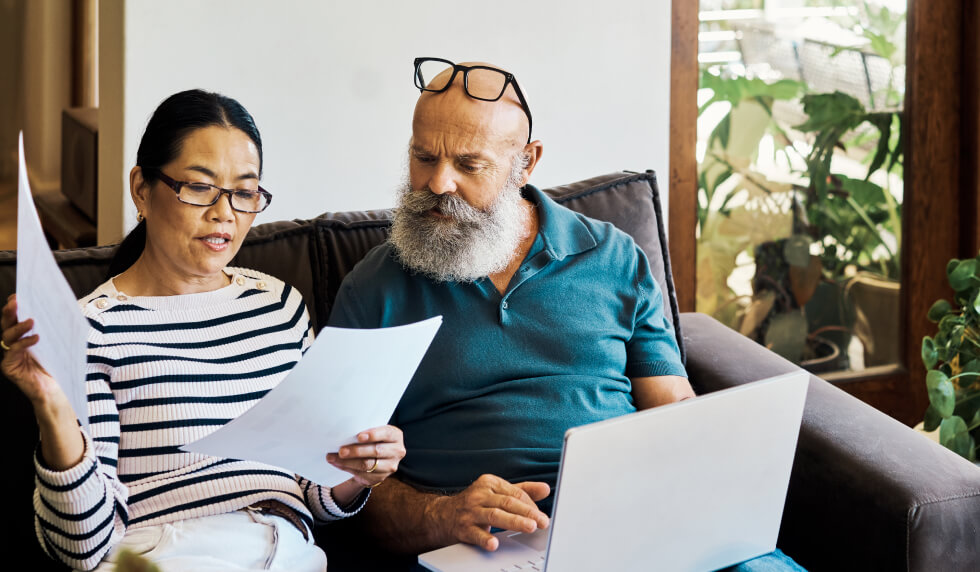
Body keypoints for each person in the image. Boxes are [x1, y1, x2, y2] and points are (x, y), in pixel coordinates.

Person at [327, 59, 804, 571]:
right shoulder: (375, 287)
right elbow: (341, 488)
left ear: (526, 163)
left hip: (633, 521)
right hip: (484, 549)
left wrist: (689, 505)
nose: (439, 182)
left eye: (469, 165)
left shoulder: (614, 257)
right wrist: (446, 514)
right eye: (423, 157)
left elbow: (676, 415)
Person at [0, 89, 405, 572]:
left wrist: (360, 472)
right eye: (199, 187)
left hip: (290, 552)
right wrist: (52, 407)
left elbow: (314, 492)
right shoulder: (93, 327)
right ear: (141, 189)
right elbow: (80, 548)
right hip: (173, 552)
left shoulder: (280, 306)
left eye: (245, 191)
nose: (224, 213)